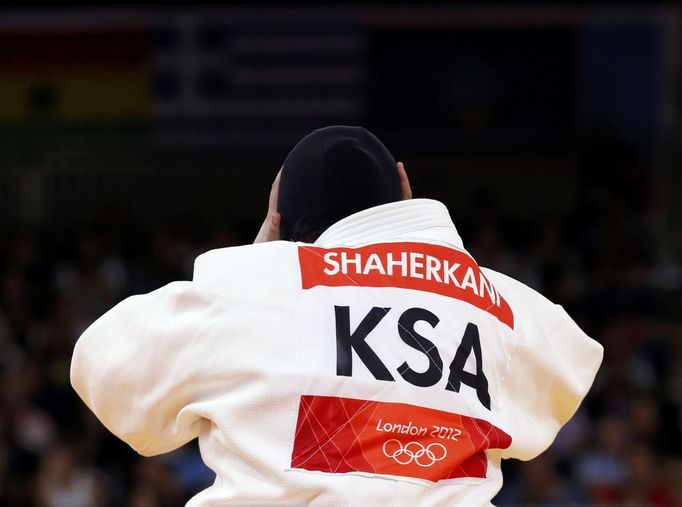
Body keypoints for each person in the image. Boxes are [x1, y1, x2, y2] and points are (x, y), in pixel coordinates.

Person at [71, 126, 603, 506]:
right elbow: (569, 370)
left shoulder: (250, 289)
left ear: (277, 217)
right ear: (403, 188)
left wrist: (257, 259)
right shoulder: (501, 302)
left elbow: (103, 367)